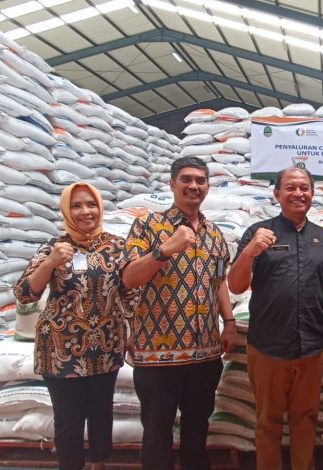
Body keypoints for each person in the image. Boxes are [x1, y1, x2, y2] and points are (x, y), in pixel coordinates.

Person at [13, 182, 141, 470]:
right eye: (77, 206)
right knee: (69, 419)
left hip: (105, 345)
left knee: (101, 413)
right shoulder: (54, 246)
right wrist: (50, 263)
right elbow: (24, 293)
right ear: (66, 211)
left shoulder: (117, 246)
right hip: (61, 350)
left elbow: (131, 293)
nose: (86, 211)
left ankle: (99, 464)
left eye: (91, 204)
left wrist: (135, 331)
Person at [122, 156, 236, 470]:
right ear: (172, 184)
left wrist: (229, 322)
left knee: (197, 432)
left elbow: (219, 281)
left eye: (200, 180)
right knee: (157, 434)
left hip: (205, 354)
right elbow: (129, 278)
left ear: (208, 187)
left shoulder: (214, 233)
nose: (194, 186)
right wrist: (165, 249)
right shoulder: (147, 225)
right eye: (186, 179)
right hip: (158, 357)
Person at [228, 167, 323, 470]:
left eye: (304, 188)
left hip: (311, 346)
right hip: (268, 346)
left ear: (313, 193)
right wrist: (250, 252)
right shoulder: (258, 232)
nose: (298, 193)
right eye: (290, 187)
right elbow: (236, 286)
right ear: (277, 193)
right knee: (268, 421)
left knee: (306, 418)